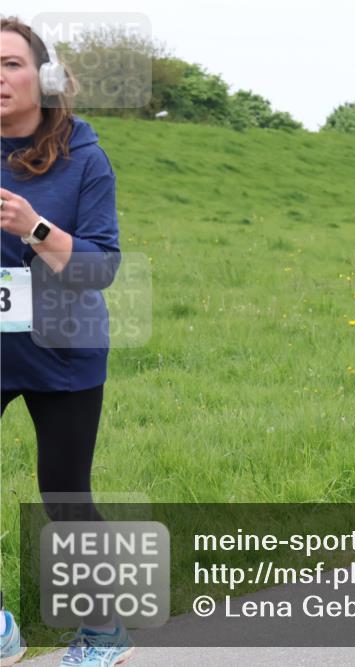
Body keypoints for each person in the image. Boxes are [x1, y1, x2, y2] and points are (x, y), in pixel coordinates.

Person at [0, 17, 132, 666]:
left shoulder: (85, 157)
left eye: (11, 64)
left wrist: (35, 227)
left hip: (65, 347)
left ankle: (104, 633)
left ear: (45, 78)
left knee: (64, 494)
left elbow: (101, 267)